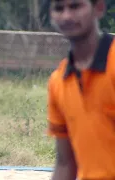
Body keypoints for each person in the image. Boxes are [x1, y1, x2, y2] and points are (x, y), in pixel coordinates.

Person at [47, 0, 115, 180]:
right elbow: (65, 163)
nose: (67, 15)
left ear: (99, 7)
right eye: (59, 8)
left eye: (75, 6)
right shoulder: (58, 81)